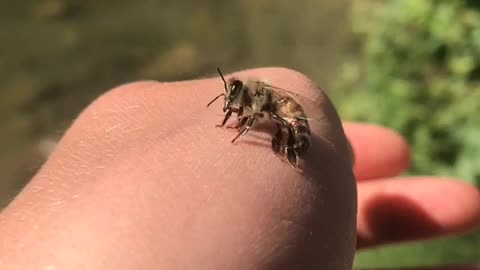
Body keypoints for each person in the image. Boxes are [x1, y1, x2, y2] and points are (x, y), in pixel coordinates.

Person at [0, 68, 478, 269]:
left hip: (295, 124)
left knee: (286, 128)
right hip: (301, 130)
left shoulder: (259, 102)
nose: (230, 109)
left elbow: (271, 112)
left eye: (232, 104)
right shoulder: (247, 96)